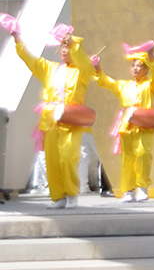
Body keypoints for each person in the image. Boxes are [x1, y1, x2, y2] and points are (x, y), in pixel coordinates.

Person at [11, 25, 94, 209]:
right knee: (52, 159)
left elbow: (84, 62)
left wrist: (73, 42)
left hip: (71, 120)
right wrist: (17, 39)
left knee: (68, 156)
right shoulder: (51, 68)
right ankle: (58, 197)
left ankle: (71, 194)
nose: (65, 50)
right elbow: (31, 60)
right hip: (51, 120)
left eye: (68, 46)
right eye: (63, 46)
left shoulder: (83, 71)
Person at [94, 41, 154, 203]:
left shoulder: (151, 85)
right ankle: (129, 190)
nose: (135, 68)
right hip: (128, 125)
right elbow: (106, 82)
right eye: (134, 65)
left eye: (139, 66)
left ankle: (142, 187)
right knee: (128, 158)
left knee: (143, 154)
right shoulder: (124, 85)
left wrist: (152, 57)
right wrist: (97, 68)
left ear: (146, 69)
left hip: (145, 125)